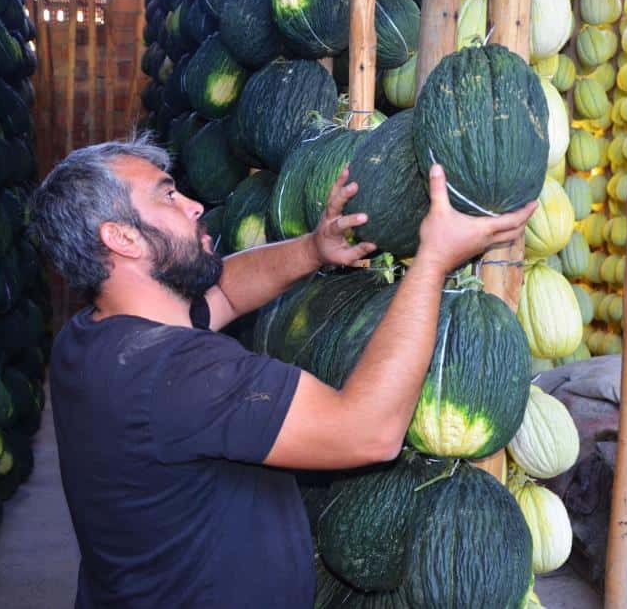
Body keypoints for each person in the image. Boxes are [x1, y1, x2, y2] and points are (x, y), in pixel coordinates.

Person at [27, 134, 536, 608]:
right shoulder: (182, 375)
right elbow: (369, 432)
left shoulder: (91, 337)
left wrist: (314, 248)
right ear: (121, 239)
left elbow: (222, 292)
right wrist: (432, 262)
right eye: (167, 197)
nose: (193, 205)